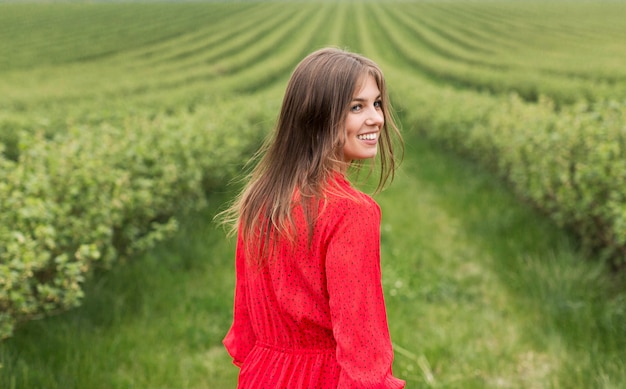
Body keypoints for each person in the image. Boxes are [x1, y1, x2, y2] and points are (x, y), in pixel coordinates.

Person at [221, 47, 405, 388]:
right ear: (317, 117)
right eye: (356, 106)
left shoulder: (261, 200)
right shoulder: (350, 212)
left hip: (264, 376)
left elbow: (246, 327)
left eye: (377, 103)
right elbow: (361, 346)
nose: (377, 118)